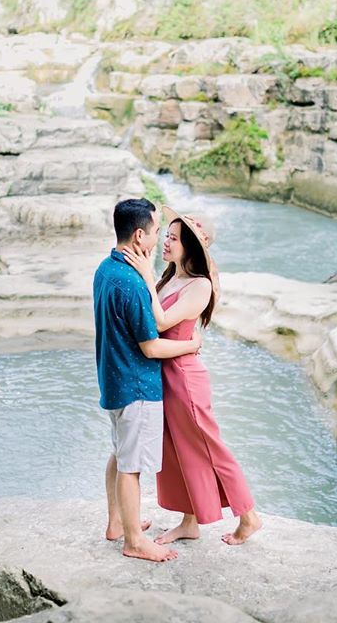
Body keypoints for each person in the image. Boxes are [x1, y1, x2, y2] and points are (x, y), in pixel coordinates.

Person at [123, 205, 263, 546]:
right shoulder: (171, 278)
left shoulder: (199, 286)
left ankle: (249, 516)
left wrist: (143, 276)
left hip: (185, 379)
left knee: (210, 447)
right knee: (177, 450)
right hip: (164, 375)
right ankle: (190, 522)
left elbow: (158, 323)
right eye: (165, 236)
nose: (165, 243)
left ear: (191, 246)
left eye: (173, 238)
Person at [93, 198, 202, 563]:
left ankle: (117, 523)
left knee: (120, 453)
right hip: (137, 385)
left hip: (112, 381)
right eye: (157, 231)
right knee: (132, 465)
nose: (159, 239)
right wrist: (192, 344)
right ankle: (135, 541)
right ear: (139, 235)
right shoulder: (133, 284)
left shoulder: (106, 269)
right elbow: (152, 346)